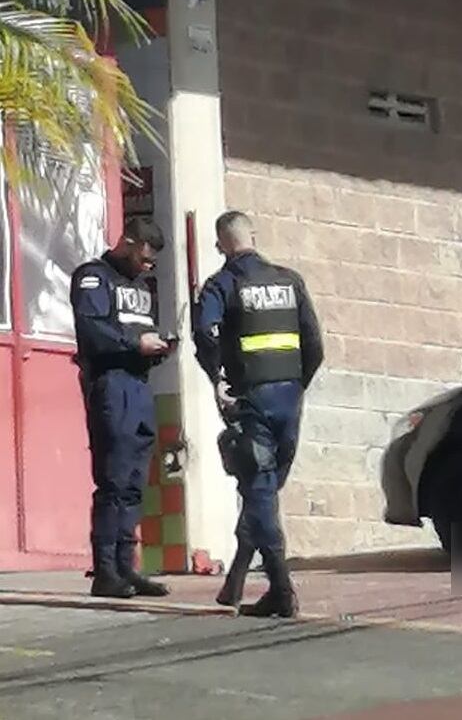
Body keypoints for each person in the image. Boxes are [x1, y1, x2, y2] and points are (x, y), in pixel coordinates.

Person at [192, 211, 324, 617]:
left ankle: (282, 592)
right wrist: (295, 386)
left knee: (259, 492)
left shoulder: (221, 285)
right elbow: (314, 344)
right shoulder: (289, 280)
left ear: (220, 245)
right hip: (290, 398)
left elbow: (204, 333)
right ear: (254, 235)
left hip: (252, 401)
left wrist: (216, 379)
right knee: (263, 490)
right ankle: (235, 582)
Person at [71, 216, 176, 598]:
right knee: (113, 480)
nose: (148, 267)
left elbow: (138, 331)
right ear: (127, 243)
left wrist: (159, 349)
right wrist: (135, 346)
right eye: (144, 258)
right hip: (111, 386)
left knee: (134, 482)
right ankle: (105, 570)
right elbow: (92, 329)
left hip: (139, 385)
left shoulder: (139, 287)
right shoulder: (94, 277)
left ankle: (127, 566)